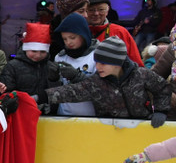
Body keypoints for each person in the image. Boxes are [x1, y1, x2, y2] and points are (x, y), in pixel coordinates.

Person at [42, 37, 170, 124]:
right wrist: (38, 98)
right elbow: (69, 92)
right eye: (96, 63)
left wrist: (160, 111)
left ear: (117, 63)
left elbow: (163, 89)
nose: (97, 67)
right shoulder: (96, 83)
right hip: (108, 131)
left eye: (102, 63)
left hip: (140, 128)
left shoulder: (142, 75)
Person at [0, 23, 64, 102]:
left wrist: (54, 79)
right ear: (26, 48)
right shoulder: (12, 67)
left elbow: (58, 92)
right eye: (34, 51)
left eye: (42, 51)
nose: (38, 55)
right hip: (21, 110)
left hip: (47, 113)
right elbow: (5, 93)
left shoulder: (51, 66)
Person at [50, 13, 97, 117]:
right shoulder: (60, 57)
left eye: (72, 37)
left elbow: (102, 88)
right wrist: (53, 79)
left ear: (83, 35)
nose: (69, 42)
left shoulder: (97, 55)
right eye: (65, 39)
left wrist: (77, 76)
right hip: (63, 116)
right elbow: (56, 90)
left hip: (93, 118)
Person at [86, 0, 142, 65]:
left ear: (107, 11)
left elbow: (136, 62)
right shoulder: (78, 32)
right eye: (91, 10)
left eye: (101, 9)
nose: (96, 13)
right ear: (85, 11)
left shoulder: (119, 32)